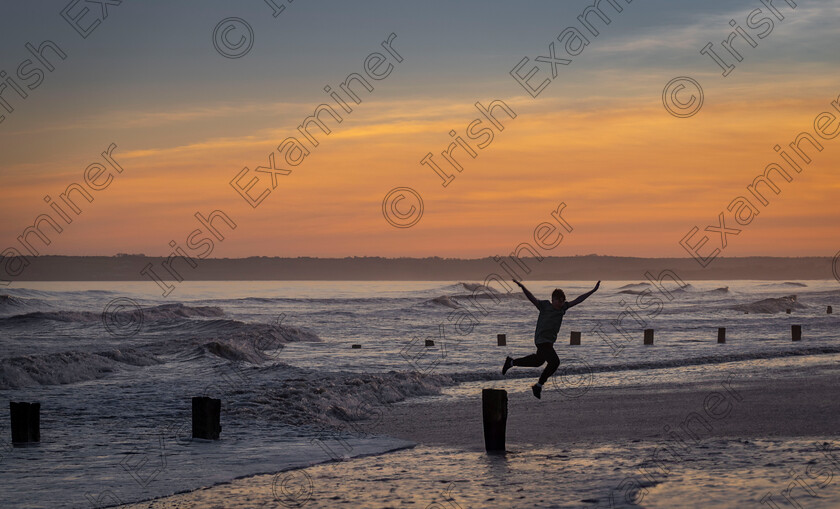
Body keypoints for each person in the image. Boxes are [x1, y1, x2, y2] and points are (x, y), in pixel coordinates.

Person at [502, 279, 600, 399]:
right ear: (552, 299)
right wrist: (522, 287)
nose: (559, 304)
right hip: (541, 340)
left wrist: (593, 290)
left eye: (561, 301)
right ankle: (538, 385)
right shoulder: (544, 306)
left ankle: (511, 362)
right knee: (555, 362)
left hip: (549, 342)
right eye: (557, 301)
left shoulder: (563, 308)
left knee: (538, 361)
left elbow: (579, 299)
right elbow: (532, 298)